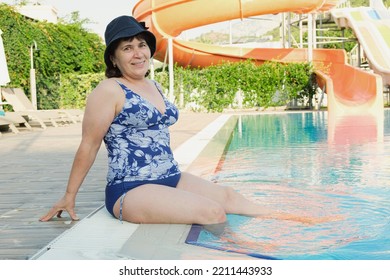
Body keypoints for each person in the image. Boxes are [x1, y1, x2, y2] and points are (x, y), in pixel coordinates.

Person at [40, 15, 331, 225]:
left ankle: (292, 220)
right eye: (127, 48)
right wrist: (69, 195)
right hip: (130, 190)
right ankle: (249, 256)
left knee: (227, 196)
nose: (138, 53)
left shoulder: (154, 85)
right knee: (211, 212)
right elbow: (88, 146)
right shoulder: (108, 91)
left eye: (141, 45)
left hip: (170, 177)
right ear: (114, 59)